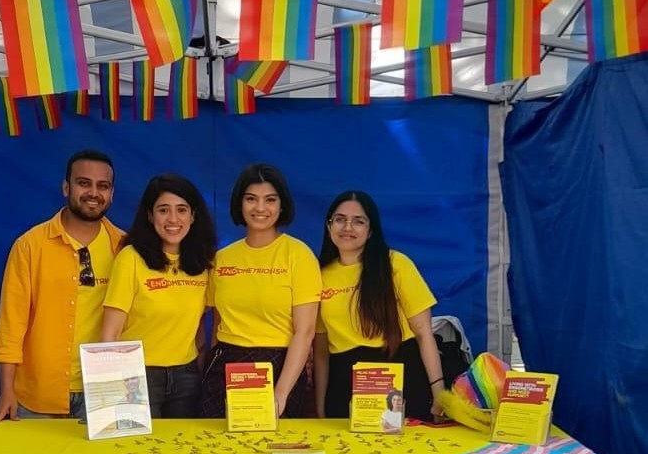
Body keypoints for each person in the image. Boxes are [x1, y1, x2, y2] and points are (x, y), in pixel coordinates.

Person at [0, 149, 123, 423]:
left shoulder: (125, 248)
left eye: (103, 186)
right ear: (66, 187)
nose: (93, 193)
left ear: (112, 193)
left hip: (104, 392)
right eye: (83, 183)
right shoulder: (30, 246)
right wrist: (6, 391)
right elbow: (11, 325)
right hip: (37, 396)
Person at [199, 164, 321, 418]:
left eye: (270, 200)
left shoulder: (299, 255)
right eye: (251, 199)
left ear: (282, 205)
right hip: (225, 367)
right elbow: (218, 324)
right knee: (218, 452)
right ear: (239, 203)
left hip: (279, 368)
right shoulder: (222, 258)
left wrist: (281, 392)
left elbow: (305, 331)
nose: (260, 208)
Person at [313, 190, 444, 422]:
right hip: (344, 385)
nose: (348, 227)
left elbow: (424, 333)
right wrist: (320, 407)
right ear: (329, 225)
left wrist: (439, 393)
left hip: (400, 380)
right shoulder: (317, 277)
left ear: (371, 230)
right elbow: (321, 353)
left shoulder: (396, 265)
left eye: (358, 221)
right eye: (340, 219)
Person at [101, 173, 216, 418]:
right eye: (163, 210)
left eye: (182, 210)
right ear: (150, 215)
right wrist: (113, 387)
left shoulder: (203, 264)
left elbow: (199, 327)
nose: (173, 219)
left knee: (180, 452)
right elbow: (110, 334)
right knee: (137, 452)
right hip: (135, 377)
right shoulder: (130, 258)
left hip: (186, 376)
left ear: (193, 216)